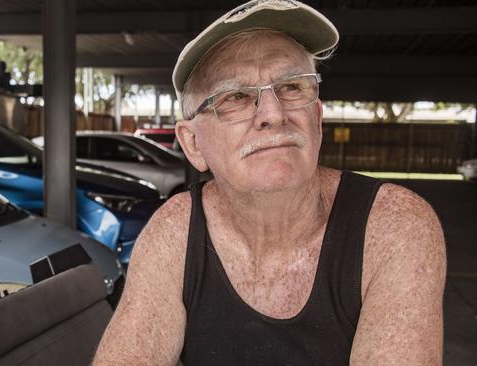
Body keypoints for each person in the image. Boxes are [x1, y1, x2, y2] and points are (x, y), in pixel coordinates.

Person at [93, 1, 446, 365]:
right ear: (193, 144)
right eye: (236, 97)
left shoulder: (393, 225)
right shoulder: (174, 232)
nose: (274, 114)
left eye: (291, 87)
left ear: (317, 119)